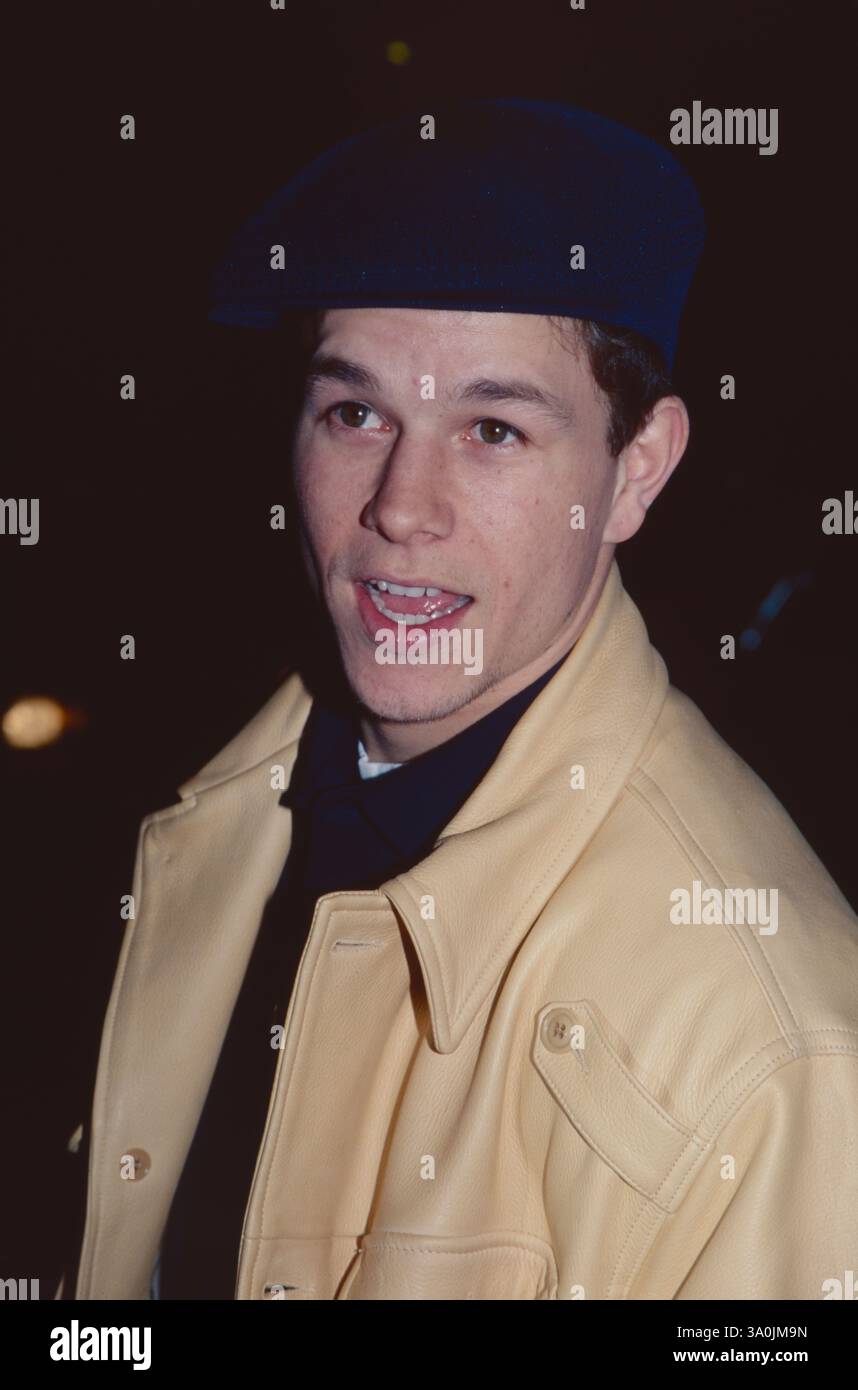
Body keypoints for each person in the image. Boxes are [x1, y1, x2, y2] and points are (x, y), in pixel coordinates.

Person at [63, 100, 858, 1300]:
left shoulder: (771, 1050)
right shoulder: (215, 810)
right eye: (356, 412)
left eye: (492, 427)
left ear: (636, 468)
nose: (399, 506)